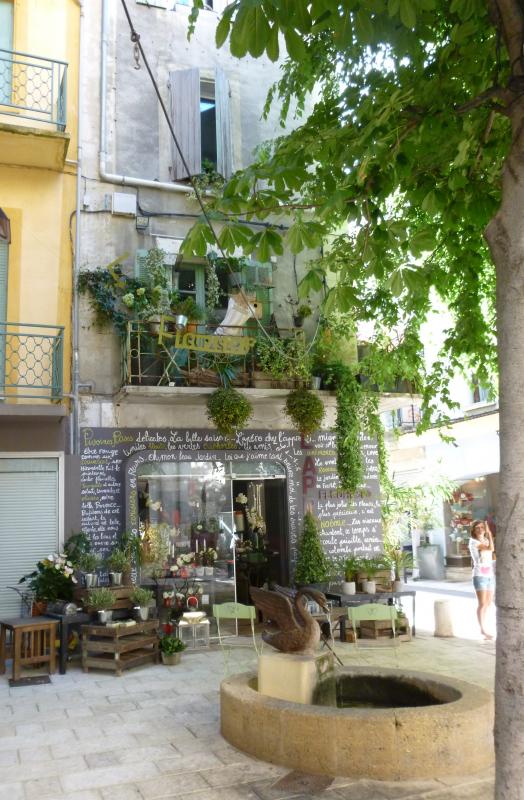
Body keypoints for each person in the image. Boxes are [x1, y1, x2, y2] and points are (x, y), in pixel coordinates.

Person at [468, 519, 495, 640]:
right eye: (477, 528)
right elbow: (491, 549)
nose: (480, 530)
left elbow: (490, 555)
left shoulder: (485, 540)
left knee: (488, 603)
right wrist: (489, 533)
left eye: (482, 527)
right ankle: (482, 630)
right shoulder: (473, 542)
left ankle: (484, 627)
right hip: (479, 575)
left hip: (489, 575)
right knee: (482, 603)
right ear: (473, 530)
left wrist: (488, 536)